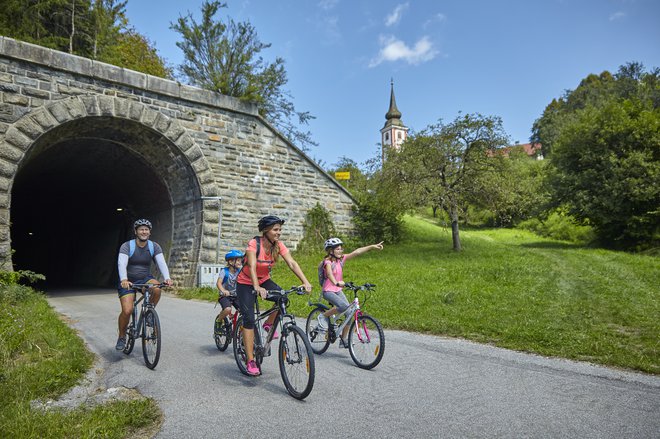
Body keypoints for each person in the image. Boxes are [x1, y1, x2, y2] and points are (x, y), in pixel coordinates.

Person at [236, 215, 312, 376]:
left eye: (280, 229)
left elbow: (292, 263)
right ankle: (250, 361)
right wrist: (256, 287)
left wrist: (305, 281)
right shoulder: (254, 243)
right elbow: (251, 265)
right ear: (266, 230)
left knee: (282, 298)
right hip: (245, 281)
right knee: (249, 318)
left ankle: (268, 324)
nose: (279, 233)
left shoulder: (279, 245)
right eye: (275, 229)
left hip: (264, 280)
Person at [115, 219, 173, 351]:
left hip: (145, 279)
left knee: (157, 288)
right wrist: (124, 279)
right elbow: (121, 263)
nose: (144, 231)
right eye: (141, 229)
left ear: (149, 232)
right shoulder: (127, 246)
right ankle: (122, 336)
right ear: (136, 231)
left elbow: (161, 263)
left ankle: (149, 314)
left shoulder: (154, 246)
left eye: (146, 230)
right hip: (128, 280)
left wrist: (167, 278)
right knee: (127, 310)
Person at [317, 237, 384, 347]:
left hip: (338, 290)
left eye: (341, 249)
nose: (341, 251)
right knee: (343, 306)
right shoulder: (327, 262)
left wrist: (372, 247)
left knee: (349, 314)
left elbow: (357, 252)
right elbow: (329, 274)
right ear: (330, 251)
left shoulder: (341, 259)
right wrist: (336, 283)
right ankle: (323, 316)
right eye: (338, 249)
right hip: (328, 290)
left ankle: (343, 340)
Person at [214, 249, 244, 333]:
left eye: (240, 260)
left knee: (244, 310)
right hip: (224, 296)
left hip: (236, 296)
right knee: (227, 309)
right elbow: (218, 283)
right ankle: (219, 321)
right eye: (238, 260)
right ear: (231, 262)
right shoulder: (224, 272)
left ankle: (240, 327)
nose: (240, 262)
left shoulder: (240, 271)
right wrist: (223, 290)